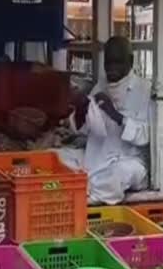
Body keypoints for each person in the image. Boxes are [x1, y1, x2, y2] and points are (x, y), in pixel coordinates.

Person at [58, 36, 151, 205]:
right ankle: (86, 189)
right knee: (57, 156)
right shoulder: (100, 87)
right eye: (108, 63)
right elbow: (83, 129)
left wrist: (116, 115)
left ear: (130, 62)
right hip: (97, 157)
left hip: (128, 160)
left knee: (118, 175)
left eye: (117, 62)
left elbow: (146, 137)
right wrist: (81, 107)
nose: (111, 69)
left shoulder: (145, 90)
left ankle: (84, 198)